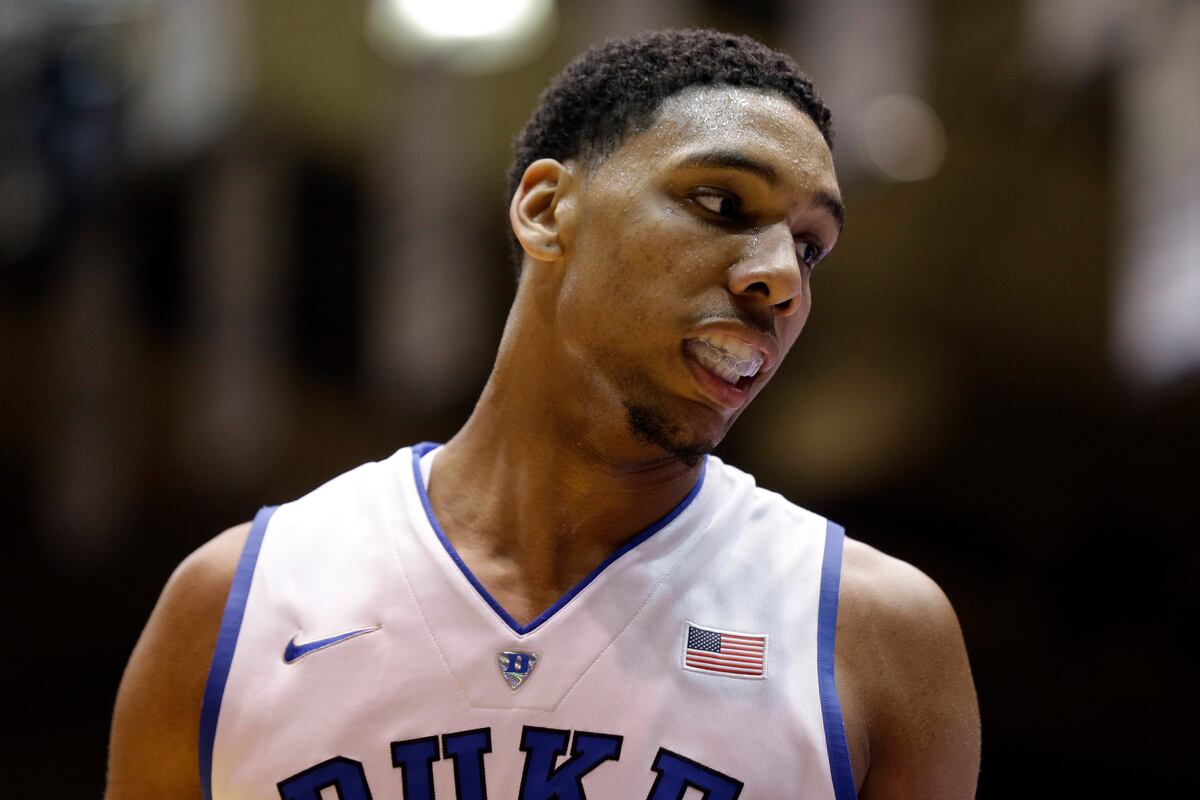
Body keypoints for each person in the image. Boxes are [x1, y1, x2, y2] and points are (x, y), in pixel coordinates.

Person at [106, 28, 979, 800]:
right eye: (721, 205)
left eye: (809, 248)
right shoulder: (234, 603)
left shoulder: (874, 634)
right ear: (546, 209)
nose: (780, 279)